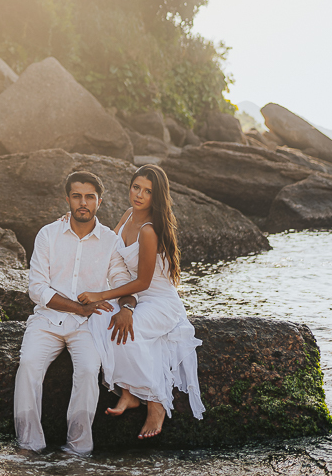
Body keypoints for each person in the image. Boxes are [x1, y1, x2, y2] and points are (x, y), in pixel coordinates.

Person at [76, 163, 205, 439]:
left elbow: (143, 282)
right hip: (132, 297)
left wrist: (102, 295)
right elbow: (107, 249)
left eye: (147, 191)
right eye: (136, 187)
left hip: (158, 301)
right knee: (100, 319)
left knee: (127, 331)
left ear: (156, 196)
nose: (139, 195)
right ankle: (129, 393)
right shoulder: (126, 216)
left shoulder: (148, 230)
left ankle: (155, 403)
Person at [13, 170, 138, 456]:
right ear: (67, 198)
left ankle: (78, 448)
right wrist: (79, 307)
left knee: (87, 370)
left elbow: (121, 280)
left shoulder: (110, 240)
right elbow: (37, 289)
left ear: (100, 201)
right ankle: (29, 444)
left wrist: (127, 306)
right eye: (77, 196)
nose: (83, 202)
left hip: (88, 325)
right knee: (29, 365)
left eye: (90, 197)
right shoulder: (49, 234)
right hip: (46, 320)